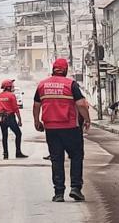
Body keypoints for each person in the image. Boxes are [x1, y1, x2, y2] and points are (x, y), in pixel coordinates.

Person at [33, 58, 91, 202]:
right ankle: (75, 188)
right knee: (76, 156)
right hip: (70, 127)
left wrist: (36, 121)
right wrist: (87, 119)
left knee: (56, 159)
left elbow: (36, 105)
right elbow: (81, 104)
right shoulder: (71, 84)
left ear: (53, 69)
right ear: (65, 70)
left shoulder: (42, 85)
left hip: (51, 129)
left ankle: (58, 193)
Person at [0, 79, 28, 160]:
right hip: (10, 117)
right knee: (18, 134)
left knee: (4, 136)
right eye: (12, 85)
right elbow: (16, 109)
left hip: (2, 118)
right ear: (8, 87)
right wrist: (19, 120)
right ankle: (18, 152)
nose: (13, 86)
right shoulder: (11, 95)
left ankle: (5, 154)